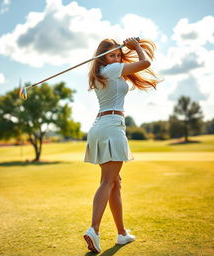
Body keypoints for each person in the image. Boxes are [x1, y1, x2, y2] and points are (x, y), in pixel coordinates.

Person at [83, 37, 160, 253]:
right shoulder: (112, 69)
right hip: (112, 126)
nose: (116, 58)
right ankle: (94, 230)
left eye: (118, 54)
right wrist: (136, 48)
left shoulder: (100, 74)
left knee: (114, 181)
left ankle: (122, 233)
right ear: (102, 57)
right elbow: (146, 64)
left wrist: (127, 49)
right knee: (108, 181)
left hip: (99, 126)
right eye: (112, 55)